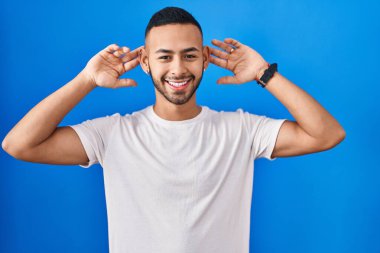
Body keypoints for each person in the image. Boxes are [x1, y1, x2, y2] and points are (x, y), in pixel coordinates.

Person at [2, 6, 345, 253]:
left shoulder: (241, 129)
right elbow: (19, 145)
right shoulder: (113, 134)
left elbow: (327, 134)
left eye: (190, 55)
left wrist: (263, 73)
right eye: (165, 57)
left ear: (205, 61)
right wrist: (86, 80)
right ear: (146, 62)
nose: (178, 69)